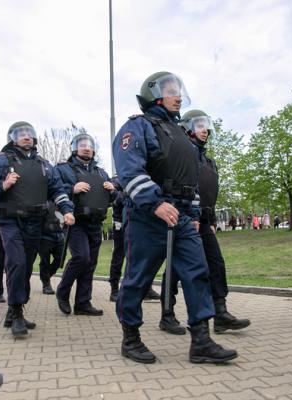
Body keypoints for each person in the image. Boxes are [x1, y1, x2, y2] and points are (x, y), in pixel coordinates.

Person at [112, 71, 237, 364]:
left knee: (197, 273)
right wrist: (155, 203)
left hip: (181, 217)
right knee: (137, 278)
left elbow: (189, 179)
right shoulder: (138, 127)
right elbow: (129, 171)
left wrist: (192, 213)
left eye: (179, 90)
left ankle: (201, 341)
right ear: (154, 94)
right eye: (170, 90)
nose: (177, 95)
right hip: (147, 215)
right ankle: (130, 338)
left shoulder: (182, 134)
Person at [0, 121, 75, 337]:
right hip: (10, 221)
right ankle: (17, 312)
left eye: (30, 133)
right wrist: (1, 184)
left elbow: (57, 190)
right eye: (21, 134)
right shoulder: (0, 161)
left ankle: (14, 309)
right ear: (12, 138)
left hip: (36, 221)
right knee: (17, 263)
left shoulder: (44, 165)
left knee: (26, 267)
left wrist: (67, 210)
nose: (27, 136)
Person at [158, 109, 250, 336]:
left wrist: (209, 220)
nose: (204, 130)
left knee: (216, 264)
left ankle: (220, 314)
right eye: (199, 125)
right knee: (176, 269)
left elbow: (209, 192)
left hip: (204, 221)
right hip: (183, 217)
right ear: (187, 127)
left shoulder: (209, 161)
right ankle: (167, 315)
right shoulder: (180, 154)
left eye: (206, 125)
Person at [55, 133, 114, 316]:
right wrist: (72, 189)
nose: (86, 147)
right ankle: (62, 292)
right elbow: (53, 190)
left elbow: (113, 199)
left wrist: (113, 191)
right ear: (74, 148)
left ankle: (83, 303)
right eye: (82, 144)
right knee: (82, 258)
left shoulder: (101, 172)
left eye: (89, 144)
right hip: (76, 221)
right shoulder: (63, 169)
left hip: (96, 222)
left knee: (90, 264)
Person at [38, 200, 65, 295]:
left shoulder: (61, 199)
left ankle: (46, 276)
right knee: (45, 261)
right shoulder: (43, 198)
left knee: (60, 259)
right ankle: (46, 285)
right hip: (45, 236)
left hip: (60, 235)